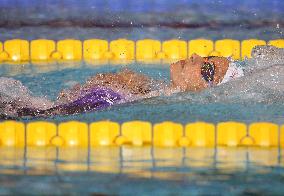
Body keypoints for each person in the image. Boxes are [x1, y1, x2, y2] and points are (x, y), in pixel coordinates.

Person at [0, 53, 244, 118]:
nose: (195, 57)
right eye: (207, 56)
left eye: (207, 70)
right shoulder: (149, 92)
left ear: (204, 91)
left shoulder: (153, 106)